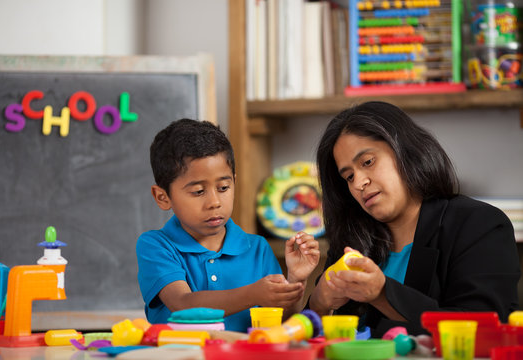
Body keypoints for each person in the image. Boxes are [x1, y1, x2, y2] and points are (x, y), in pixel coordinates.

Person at [309, 101, 520, 337]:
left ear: (406, 151)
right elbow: (316, 337)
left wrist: (381, 294)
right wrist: (318, 302)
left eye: (368, 162)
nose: (359, 183)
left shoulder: (480, 223)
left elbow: (482, 328)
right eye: (349, 176)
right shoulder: (353, 240)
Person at [136, 118, 320, 332]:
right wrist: (254, 293)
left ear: (234, 181)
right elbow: (183, 305)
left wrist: (295, 280)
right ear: (162, 197)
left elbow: (281, 328)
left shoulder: (257, 249)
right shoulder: (156, 245)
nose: (214, 202)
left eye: (223, 188)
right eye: (198, 191)